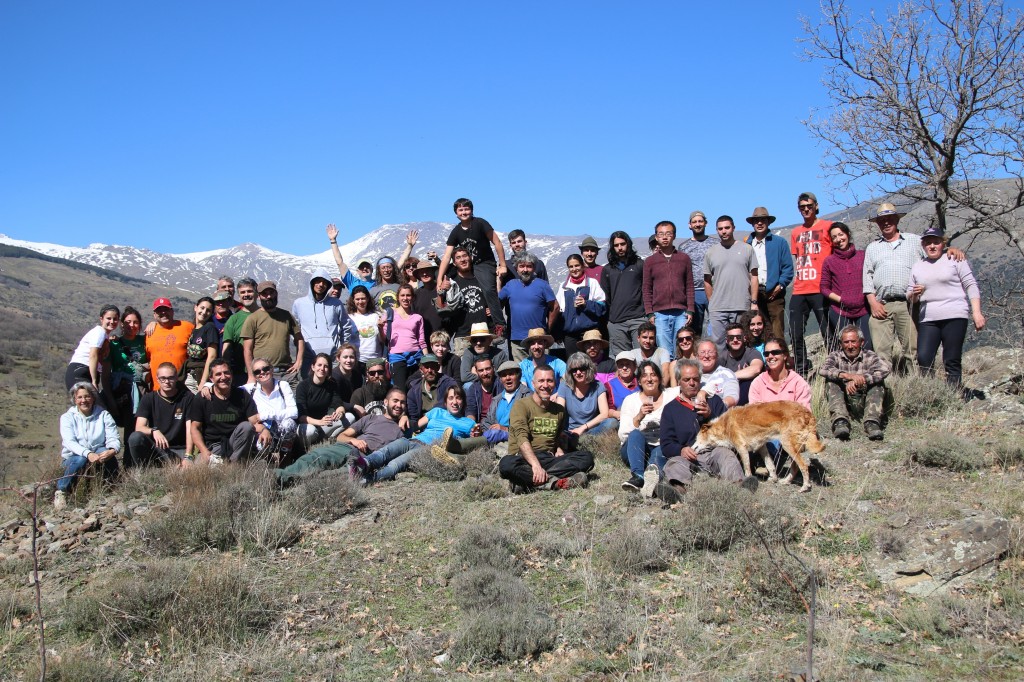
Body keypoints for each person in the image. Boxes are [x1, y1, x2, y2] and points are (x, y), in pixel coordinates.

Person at [862, 202, 967, 373]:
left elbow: (934, 252)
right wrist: (872, 302)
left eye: (890, 219)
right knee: (881, 353)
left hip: (909, 304)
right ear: (877, 223)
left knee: (913, 350)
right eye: (882, 220)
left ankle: (917, 386)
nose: (886, 223)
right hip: (881, 304)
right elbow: (867, 276)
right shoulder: (873, 248)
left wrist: (950, 249)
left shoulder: (914, 241)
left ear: (897, 220)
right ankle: (884, 388)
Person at [273, 388, 408, 488]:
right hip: (346, 448)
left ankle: (282, 490)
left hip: (365, 461)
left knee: (327, 479)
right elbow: (341, 436)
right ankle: (274, 477)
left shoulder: (403, 432)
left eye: (402, 403)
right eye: (395, 401)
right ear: (386, 402)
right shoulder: (371, 418)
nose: (398, 405)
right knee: (315, 458)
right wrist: (354, 440)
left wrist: (405, 417)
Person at [351, 385, 481, 484]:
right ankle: (363, 464)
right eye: (451, 398)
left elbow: (474, 440)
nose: (454, 402)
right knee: (385, 452)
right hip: (413, 440)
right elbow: (416, 425)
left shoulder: (468, 423)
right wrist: (404, 417)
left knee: (396, 464)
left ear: (463, 401)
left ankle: (366, 480)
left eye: (458, 398)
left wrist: (476, 435)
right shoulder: (436, 412)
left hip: (427, 448)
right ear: (446, 402)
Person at [908, 226, 985, 389]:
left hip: (955, 314)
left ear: (943, 243)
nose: (932, 246)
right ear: (923, 246)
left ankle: (954, 394)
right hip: (928, 318)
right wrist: (915, 294)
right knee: (924, 357)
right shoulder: (918, 266)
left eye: (936, 242)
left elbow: (970, 285)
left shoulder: (955, 259)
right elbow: (911, 296)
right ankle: (929, 393)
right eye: (928, 243)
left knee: (951, 358)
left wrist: (976, 313)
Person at [498, 366, 595, 492]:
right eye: (541, 381)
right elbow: (521, 437)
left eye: (549, 381)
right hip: (524, 459)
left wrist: (559, 448)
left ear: (555, 383)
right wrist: (535, 465)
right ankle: (552, 482)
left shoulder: (559, 410)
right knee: (506, 464)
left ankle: (525, 482)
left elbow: (557, 438)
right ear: (533, 384)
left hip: (549, 459)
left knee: (586, 458)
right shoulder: (521, 405)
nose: (545, 385)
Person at [660, 360, 748, 494]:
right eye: (686, 379)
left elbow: (729, 432)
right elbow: (666, 444)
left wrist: (710, 415)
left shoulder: (714, 401)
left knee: (726, 455)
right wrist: (681, 449)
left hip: (714, 452)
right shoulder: (670, 409)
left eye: (695, 379)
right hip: (688, 457)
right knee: (674, 463)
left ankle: (740, 489)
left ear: (700, 379)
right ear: (678, 381)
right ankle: (677, 491)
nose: (691, 383)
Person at [436, 198, 508, 332]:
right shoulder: (456, 231)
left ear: (472, 210)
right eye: (460, 210)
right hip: (468, 263)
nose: (464, 212)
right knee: (445, 277)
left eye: (466, 209)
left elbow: (497, 243)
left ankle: (499, 324)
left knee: (487, 290)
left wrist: (502, 264)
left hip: (484, 263)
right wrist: (440, 279)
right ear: (456, 213)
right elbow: (447, 256)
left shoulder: (480, 223)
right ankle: (444, 310)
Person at [54, 382, 121, 509]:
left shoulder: (104, 415)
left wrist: (113, 450)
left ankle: (110, 489)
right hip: (74, 457)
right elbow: (70, 442)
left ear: (93, 397)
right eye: (79, 397)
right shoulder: (67, 417)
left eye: (87, 396)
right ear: (74, 399)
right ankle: (62, 491)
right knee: (81, 459)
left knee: (106, 454)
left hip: (98, 451)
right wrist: (88, 453)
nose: (83, 400)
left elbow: (113, 437)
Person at [820, 325, 891, 440]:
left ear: (861, 342)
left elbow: (885, 369)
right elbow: (824, 369)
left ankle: (872, 422)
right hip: (844, 401)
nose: (850, 346)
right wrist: (847, 376)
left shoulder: (870, 356)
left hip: (865, 399)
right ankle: (840, 421)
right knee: (831, 382)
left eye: (853, 342)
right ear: (841, 344)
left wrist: (860, 379)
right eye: (846, 342)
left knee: (878, 384)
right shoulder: (835, 355)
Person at [790, 192, 834, 375]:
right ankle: (801, 371)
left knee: (828, 332)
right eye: (802, 207)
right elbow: (797, 258)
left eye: (809, 206)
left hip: (821, 288)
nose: (806, 209)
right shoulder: (795, 232)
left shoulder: (828, 227)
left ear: (816, 206)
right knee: (795, 333)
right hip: (800, 289)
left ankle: (834, 367)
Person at [190, 359, 263, 464]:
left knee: (247, 426)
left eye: (226, 373)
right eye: (218, 374)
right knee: (198, 469)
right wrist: (204, 451)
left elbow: (254, 422)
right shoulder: (202, 398)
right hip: (214, 446)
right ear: (211, 378)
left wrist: (264, 430)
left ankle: (234, 466)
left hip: (237, 443)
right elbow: (195, 428)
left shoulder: (242, 395)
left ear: (231, 375)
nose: (223, 377)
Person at [618, 360, 675, 494]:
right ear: (639, 381)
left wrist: (702, 394)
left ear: (660, 379)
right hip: (634, 448)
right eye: (644, 376)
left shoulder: (671, 395)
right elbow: (623, 434)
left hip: (660, 445)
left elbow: (693, 385)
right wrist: (639, 416)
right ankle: (637, 476)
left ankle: (651, 481)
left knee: (663, 447)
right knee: (636, 434)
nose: (649, 379)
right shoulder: (630, 400)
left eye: (653, 375)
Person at [704, 216, 759, 350]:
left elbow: (754, 277)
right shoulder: (711, 252)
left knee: (743, 343)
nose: (724, 231)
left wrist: (754, 302)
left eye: (727, 228)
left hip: (742, 305)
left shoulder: (747, 249)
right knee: (719, 345)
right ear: (717, 230)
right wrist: (712, 302)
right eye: (720, 228)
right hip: (718, 308)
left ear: (733, 228)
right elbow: (707, 280)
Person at [643, 220, 695, 357]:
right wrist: (650, 312)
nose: (664, 237)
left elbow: (689, 285)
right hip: (659, 314)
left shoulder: (684, 259)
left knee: (682, 350)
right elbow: (647, 289)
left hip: (681, 312)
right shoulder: (650, 262)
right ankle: (667, 377)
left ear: (674, 236)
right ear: (656, 237)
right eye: (661, 234)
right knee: (665, 352)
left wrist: (690, 309)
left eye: (668, 234)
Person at [128, 362, 194, 466]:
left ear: (176, 378)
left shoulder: (188, 397)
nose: (167, 382)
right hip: (158, 448)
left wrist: (188, 456)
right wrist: (153, 430)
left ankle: (177, 463)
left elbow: (190, 428)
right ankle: (144, 472)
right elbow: (139, 427)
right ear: (157, 379)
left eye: (170, 378)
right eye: (163, 378)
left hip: (181, 448)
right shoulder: (149, 398)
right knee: (135, 437)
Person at [240, 281, 304, 387]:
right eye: (264, 294)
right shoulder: (252, 319)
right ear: (259, 296)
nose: (269, 296)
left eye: (271, 292)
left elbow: (300, 339)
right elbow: (247, 350)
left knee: (294, 402)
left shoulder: (286, 315)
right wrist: (251, 375)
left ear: (276, 294)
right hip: (263, 373)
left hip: (286, 372)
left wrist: (298, 361)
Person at [292, 267, 353, 377]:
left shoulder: (336, 304)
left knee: (334, 386)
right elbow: (294, 328)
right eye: (318, 281)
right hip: (308, 356)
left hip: (333, 356)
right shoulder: (299, 304)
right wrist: (299, 347)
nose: (321, 285)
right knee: (309, 387)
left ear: (328, 285)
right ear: (312, 282)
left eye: (325, 282)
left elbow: (346, 326)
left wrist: (342, 347)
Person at [820, 221, 871, 351]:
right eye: (834, 237)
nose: (838, 239)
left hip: (864, 309)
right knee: (846, 347)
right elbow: (824, 288)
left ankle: (866, 371)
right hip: (840, 311)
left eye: (840, 234)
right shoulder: (829, 261)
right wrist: (841, 299)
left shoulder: (863, 256)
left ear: (848, 234)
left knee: (866, 345)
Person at [745, 207, 793, 341]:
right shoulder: (747, 244)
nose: (759, 223)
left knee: (777, 331)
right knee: (756, 331)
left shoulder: (779, 242)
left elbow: (788, 268)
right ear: (752, 223)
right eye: (756, 220)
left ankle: (780, 358)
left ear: (768, 222)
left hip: (774, 293)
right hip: (753, 294)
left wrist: (780, 285)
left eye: (763, 220)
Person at [499, 253, 558, 361]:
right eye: (522, 266)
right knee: (521, 374)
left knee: (542, 371)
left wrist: (548, 328)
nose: (525, 270)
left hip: (539, 339)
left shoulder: (542, 285)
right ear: (516, 268)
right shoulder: (510, 285)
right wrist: (499, 279)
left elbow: (555, 307)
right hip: (517, 339)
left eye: (529, 266)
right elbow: (498, 302)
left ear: (534, 268)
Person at [66, 305, 120, 418]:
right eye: (108, 318)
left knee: (91, 412)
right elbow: (93, 355)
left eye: (115, 319)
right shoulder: (99, 332)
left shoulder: (104, 335)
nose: (112, 321)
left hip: (82, 372)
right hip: (80, 372)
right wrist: (94, 381)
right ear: (101, 319)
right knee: (99, 411)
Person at [436, 246, 490, 357]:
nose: (462, 259)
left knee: (487, 371)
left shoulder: (481, 279)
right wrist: (441, 291)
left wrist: (492, 309)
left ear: (470, 258)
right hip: (462, 336)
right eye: (458, 257)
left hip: (484, 333)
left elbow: (490, 299)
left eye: (465, 256)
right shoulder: (451, 283)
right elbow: (440, 308)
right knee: (464, 372)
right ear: (454, 263)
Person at [555, 352, 617, 446]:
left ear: (589, 369)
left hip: (591, 429)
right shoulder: (564, 386)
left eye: (582, 369)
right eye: (574, 370)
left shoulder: (598, 385)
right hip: (571, 431)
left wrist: (583, 428)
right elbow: (559, 411)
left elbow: (604, 414)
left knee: (612, 423)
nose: (578, 373)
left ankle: (584, 441)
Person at [601, 230, 647, 356]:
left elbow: (646, 290)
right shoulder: (607, 269)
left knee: (642, 357)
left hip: (638, 318)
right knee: (622, 360)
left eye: (622, 244)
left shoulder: (639, 264)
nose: (620, 248)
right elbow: (606, 296)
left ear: (628, 244)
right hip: (617, 322)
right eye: (616, 245)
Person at [244, 357, 299, 460]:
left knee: (289, 423)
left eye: (265, 369)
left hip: (282, 429)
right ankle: (269, 460)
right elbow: (229, 387)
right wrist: (207, 385)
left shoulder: (283, 385)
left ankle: (285, 458)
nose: (262, 372)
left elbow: (294, 412)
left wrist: (265, 415)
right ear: (254, 376)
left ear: (272, 369)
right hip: (264, 429)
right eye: (257, 371)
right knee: (260, 447)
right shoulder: (251, 389)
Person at [296, 353, 352, 450]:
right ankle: (305, 450)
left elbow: (338, 402)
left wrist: (340, 412)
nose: (322, 368)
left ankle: (327, 442)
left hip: (324, 425)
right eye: (319, 365)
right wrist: (320, 422)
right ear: (313, 367)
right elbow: (301, 417)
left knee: (350, 417)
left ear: (329, 370)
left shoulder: (331, 384)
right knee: (310, 431)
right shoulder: (303, 386)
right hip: (309, 425)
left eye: (326, 366)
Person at [678, 211, 719, 336]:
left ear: (705, 223)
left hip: (714, 290)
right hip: (694, 292)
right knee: (694, 329)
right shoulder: (684, 247)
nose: (697, 224)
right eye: (694, 222)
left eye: (700, 221)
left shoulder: (716, 244)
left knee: (716, 327)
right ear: (689, 225)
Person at [558, 254, 607, 357]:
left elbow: (602, 307)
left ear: (583, 266)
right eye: (571, 267)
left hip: (589, 332)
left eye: (577, 265)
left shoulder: (592, 283)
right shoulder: (564, 286)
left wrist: (586, 304)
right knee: (574, 366)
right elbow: (559, 311)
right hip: (570, 334)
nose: (574, 269)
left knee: (592, 364)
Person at [380, 284, 425, 389]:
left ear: (413, 298)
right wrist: (380, 328)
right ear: (398, 297)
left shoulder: (417, 317)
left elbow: (422, 341)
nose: (405, 298)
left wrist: (426, 360)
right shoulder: (389, 313)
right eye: (402, 295)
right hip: (397, 357)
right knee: (400, 389)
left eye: (408, 295)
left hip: (415, 357)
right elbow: (384, 340)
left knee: (416, 389)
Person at [146, 298, 194, 391]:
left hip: (184, 387)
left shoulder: (187, 327)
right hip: (158, 389)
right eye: (159, 310)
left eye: (166, 309)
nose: (163, 312)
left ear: (172, 311)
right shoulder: (149, 333)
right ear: (154, 314)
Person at [479, 361, 531, 447]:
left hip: (517, 441)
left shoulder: (528, 396)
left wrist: (506, 429)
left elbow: (530, 425)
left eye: (511, 374)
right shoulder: (496, 399)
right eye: (504, 375)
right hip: (495, 441)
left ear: (519, 375)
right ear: (500, 379)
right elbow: (486, 421)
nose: (507, 378)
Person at [748, 338, 811, 408]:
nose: (770, 356)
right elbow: (754, 414)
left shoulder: (798, 383)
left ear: (785, 355)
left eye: (775, 352)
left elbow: (804, 414)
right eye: (766, 354)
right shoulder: (757, 383)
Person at [221, 278, 259, 386]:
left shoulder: (265, 315)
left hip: (265, 371)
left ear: (257, 293)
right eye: (243, 292)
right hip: (241, 374)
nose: (246, 295)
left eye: (249, 291)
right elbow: (226, 349)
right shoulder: (233, 320)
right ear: (239, 296)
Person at [405, 353, 458, 424]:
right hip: (423, 425)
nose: (430, 370)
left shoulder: (448, 383)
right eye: (426, 367)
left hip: (445, 421)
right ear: (421, 370)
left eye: (433, 367)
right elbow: (413, 416)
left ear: (438, 367)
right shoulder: (414, 390)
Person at [181, 296, 219, 393]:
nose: (204, 312)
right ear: (196, 307)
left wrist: (203, 382)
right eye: (202, 308)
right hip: (190, 373)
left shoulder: (210, 328)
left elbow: (212, 356)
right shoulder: (195, 329)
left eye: (208, 310)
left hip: (199, 376)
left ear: (211, 314)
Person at [721, 323, 764, 405]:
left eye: (738, 337)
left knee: (747, 382)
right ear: (727, 340)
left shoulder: (752, 352)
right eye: (731, 338)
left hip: (750, 399)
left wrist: (729, 376)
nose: (735, 340)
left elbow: (756, 369)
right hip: (728, 396)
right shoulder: (722, 357)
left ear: (744, 338)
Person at [327, 224, 374, 292]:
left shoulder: (379, 284)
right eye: (361, 267)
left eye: (367, 266)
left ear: (372, 269)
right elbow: (340, 263)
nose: (365, 268)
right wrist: (333, 241)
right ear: (357, 271)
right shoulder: (352, 282)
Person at [696, 340, 740, 408]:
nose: (706, 356)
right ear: (697, 356)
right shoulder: (692, 375)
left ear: (716, 355)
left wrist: (716, 408)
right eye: (702, 352)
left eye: (710, 352)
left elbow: (732, 397)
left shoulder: (726, 373)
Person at [347, 285, 383, 363]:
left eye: (363, 298)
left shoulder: (376, 316)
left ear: (368, 299)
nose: (360, 302)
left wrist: (381, 328)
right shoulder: (349, 318)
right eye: (357, 299)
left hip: (375, 359)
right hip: (357, 360)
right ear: (353, 300)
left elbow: (383, 340)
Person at [411, 261, 444, 340]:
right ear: (418, 276)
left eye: (427, 271)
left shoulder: (442, 290)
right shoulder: (415, 295)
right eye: (422, 272)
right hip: (423, 339)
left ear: (433, 272)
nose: (425, 274)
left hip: (443, 338)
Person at [603, 351, 640, 420]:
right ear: (617, 368)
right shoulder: (609, 385)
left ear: (635, 367)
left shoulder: (641, 382)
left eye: (628, 364)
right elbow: (606, 411)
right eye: (621, 365)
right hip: (618, 419)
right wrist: (615, 413)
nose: (624, 368)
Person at [466, 356, 499, 423]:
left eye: (488, 369)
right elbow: (470, 410)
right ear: (476, 371)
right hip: (480, 425)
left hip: (498, 424)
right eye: (481, 370)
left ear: (493, 368)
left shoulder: (501, 384)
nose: (485, 373)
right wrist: (471, 424)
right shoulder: (473, 389)